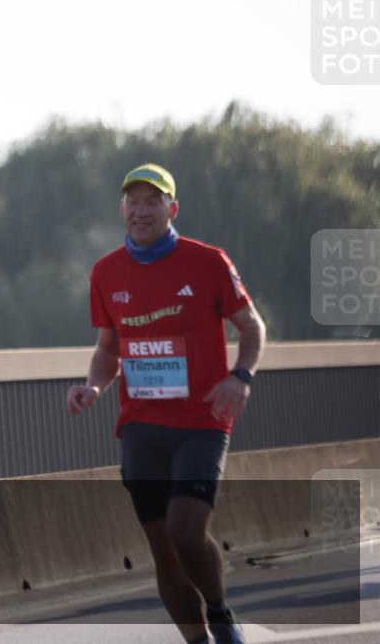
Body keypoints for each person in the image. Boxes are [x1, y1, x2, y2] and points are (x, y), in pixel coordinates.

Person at [67, 164, 266, 644]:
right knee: (163, 549)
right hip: (140, 426)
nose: (140, 211)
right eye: (132, 202)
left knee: (186, 530)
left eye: (152, 201)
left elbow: (252, 326)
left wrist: (241, 376)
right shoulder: (106, 272)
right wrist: (93, 387)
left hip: (202, 421)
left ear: (171, 208)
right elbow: (108, 348)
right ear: (121, 210)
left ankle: (219, 613)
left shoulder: (208, 262)